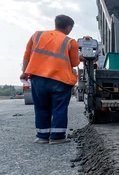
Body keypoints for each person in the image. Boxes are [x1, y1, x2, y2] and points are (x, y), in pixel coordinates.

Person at [20, 15, 85, 144]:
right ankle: (57, 137)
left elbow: (27, 55)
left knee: (41, 107)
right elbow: (74, 62)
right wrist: (81, 57)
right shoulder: (70, 42)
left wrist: (24, 73)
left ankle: (42, 136)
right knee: (59, 108)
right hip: (60, 79)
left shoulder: (36, 36)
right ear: (68, 27)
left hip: (38, 78)